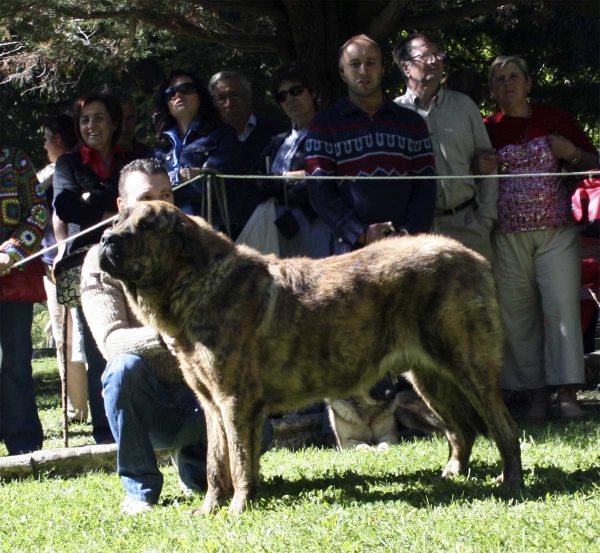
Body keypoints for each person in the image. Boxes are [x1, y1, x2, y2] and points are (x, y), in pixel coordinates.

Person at [81, 158, 272, 515]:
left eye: (167, 194)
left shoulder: (195, 245)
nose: (161, 204)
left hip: (203, 397)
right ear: (122, 207)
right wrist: (161, 336)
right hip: (156, 403)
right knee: (122, 371)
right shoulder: (99, 260)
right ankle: (141, 489)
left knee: (253, 418)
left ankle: (201, 470)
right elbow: (109, 341)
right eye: (147, 196)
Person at [484, 55, 598, 420]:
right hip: (506, 236)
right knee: (517, 315)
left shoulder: (555, 118)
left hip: (557, 233)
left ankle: (565, 393)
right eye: (499, 79)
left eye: (514, 76)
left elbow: (594, 161)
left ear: (529, 83)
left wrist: (572, 152)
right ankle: (534, 395)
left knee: (562, 308)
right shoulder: (486, 127)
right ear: (491, 90)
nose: (507, 83)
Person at [305, 34, 437, 255]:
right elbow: (320, 192)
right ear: (342, 73)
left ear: (383, 69)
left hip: (406, 251)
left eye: (371, 63)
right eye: (355, 64)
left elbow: (426, 187)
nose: (364, 71)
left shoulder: (411, 122)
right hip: (349, 252)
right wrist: (360, 233)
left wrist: (407, 236)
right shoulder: (324, 124)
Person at [53, 91, 127, 444]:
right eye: (84, 119)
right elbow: (66, 208)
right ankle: (105, 432)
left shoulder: (134, 156)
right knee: (99, 344)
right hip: (88, 263)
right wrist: (112, 201)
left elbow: (143, 198)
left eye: (98, 118)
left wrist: (91, 198)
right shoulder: (67, 164)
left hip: (135, 259)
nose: (91, 125)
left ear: (113, 122)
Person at [394, 34, 498, 261]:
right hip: (416, 234)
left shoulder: (464, 106)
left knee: (474, 297)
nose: (435, 61)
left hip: (468, 227)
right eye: (425, 56)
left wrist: (485, 219)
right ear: (406, 68)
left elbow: (489, 163)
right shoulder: (393, 115)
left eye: (438, 55)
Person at [250, 62, 332, 258]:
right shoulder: (277, 142)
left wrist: (275, 183)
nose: (290, 99)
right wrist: (289, 177)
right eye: (282, 95)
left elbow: (319, 184)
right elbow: (254, 183)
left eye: (296, 90)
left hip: (317, 227)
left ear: (312, 92)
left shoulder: (329, 134)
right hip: (276, 229)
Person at [38, 113, 88, 423]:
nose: (44, 146)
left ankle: (79, 407)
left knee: (72, 334)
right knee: (65, 334)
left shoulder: (65, 169)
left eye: (46, 139)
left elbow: (58, 211)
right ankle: (76, 407)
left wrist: (58, 251)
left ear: (57, 139)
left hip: (65, 262)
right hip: (55, 262)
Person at [148, 69, 243, 235]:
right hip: (166, 231)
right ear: (166, 104)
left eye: (186, 89)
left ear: (200, 96)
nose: (178, 95)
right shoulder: (160, 146)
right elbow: (148, 188)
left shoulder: (222, 133)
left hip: (211, 230)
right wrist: (182, 176)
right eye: (171, 93)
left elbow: (216, 184)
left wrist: (167, 186)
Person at [0, 146, 48, 454]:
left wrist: (11, 251)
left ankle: (24, 443)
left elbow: (39, 211)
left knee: (15, 362)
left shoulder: (15, 161)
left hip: (13, 280)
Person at [209, 71, 288, 175]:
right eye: (221, 98)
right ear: (214, 104)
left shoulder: (278, 133)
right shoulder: (208, 142)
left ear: (248, 97)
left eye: (234, 95)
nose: (229, 104)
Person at [102, 86, 149, 162]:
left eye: (129, 118)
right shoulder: (90, 159)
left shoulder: (150, 156)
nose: (124, 127)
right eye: (118, 119)